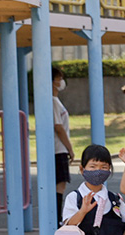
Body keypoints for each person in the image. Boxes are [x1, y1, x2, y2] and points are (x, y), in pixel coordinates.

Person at [53, 67, 73, 224]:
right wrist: (70, 148)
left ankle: (56, 216)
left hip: (60, 148)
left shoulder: (56, 100)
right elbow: (58, 127)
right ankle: (56, 217)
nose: (61, 82)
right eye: (59, 78)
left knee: (60, 184)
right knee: (59, 184)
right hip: (58, 148)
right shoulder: (51, 101)